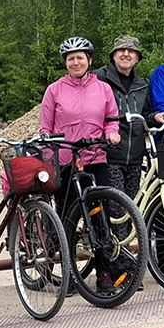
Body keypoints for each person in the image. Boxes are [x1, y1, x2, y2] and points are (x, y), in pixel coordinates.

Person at [41, 36, 121, 220]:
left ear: (89, 60)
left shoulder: (103, 89)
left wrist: (112, 133)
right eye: (71, 59)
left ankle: (100, 240)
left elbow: (111, 120)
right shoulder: (54, 90)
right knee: (66, 215)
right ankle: (63, 239)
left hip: (95, 157)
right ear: (65, 63)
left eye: (80, 58)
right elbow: (45, 129)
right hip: (65, 162)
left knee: (100, 214)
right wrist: (49, 159)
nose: (75, 62)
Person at [94, 35, 159, 198]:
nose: (126, 54)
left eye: (131, 51)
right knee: (116, 205)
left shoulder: (141, 85)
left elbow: (143, 116)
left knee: (131, 206)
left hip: (135, 157)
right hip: (108, 155)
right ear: (113, 55)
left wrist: (155, 118)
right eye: (121, 50)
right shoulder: (98, 79)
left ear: (137, 58)